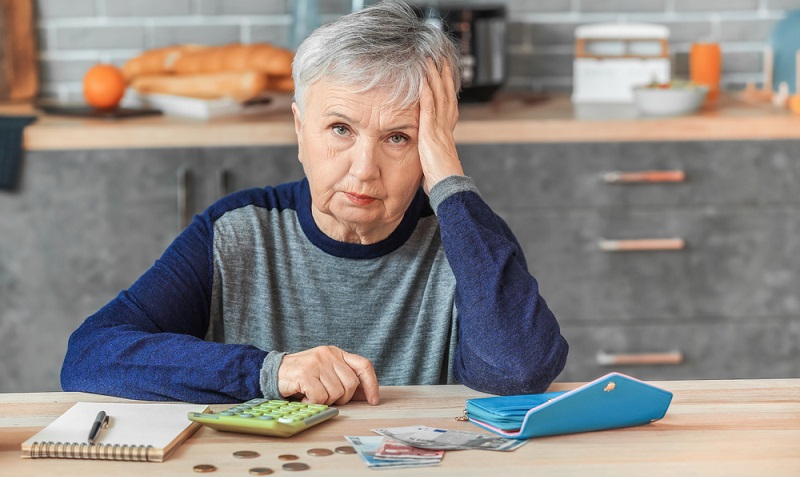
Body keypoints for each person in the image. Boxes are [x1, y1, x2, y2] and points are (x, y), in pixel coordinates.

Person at [60, 0, 568, 405]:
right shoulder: (237, 231)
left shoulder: (465, 238)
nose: (364, 168)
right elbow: (90, 355)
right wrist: (271, 371)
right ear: (301, 129)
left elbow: (519, 370)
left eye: (400, 138)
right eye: (340, 129)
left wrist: (447, 178)